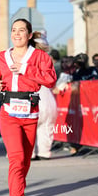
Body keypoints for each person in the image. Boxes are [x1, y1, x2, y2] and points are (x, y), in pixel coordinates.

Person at [0, 18, 57, 196]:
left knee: (24, 162)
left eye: (21, 30)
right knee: (16, 159)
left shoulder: (40, 57)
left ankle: (17, 194)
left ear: (30, 34)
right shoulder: (2, 57)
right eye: (14, 30)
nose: (17, 34)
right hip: (9, 114)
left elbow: (50, 79)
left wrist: (25, 69)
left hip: (31, 114)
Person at [30, 31, 58, 160]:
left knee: (29, 126)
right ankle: (44, 152)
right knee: (46, 126)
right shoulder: (47, 60)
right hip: (47, 96)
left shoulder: (27, 59)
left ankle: (30, 153)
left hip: (33, 95)